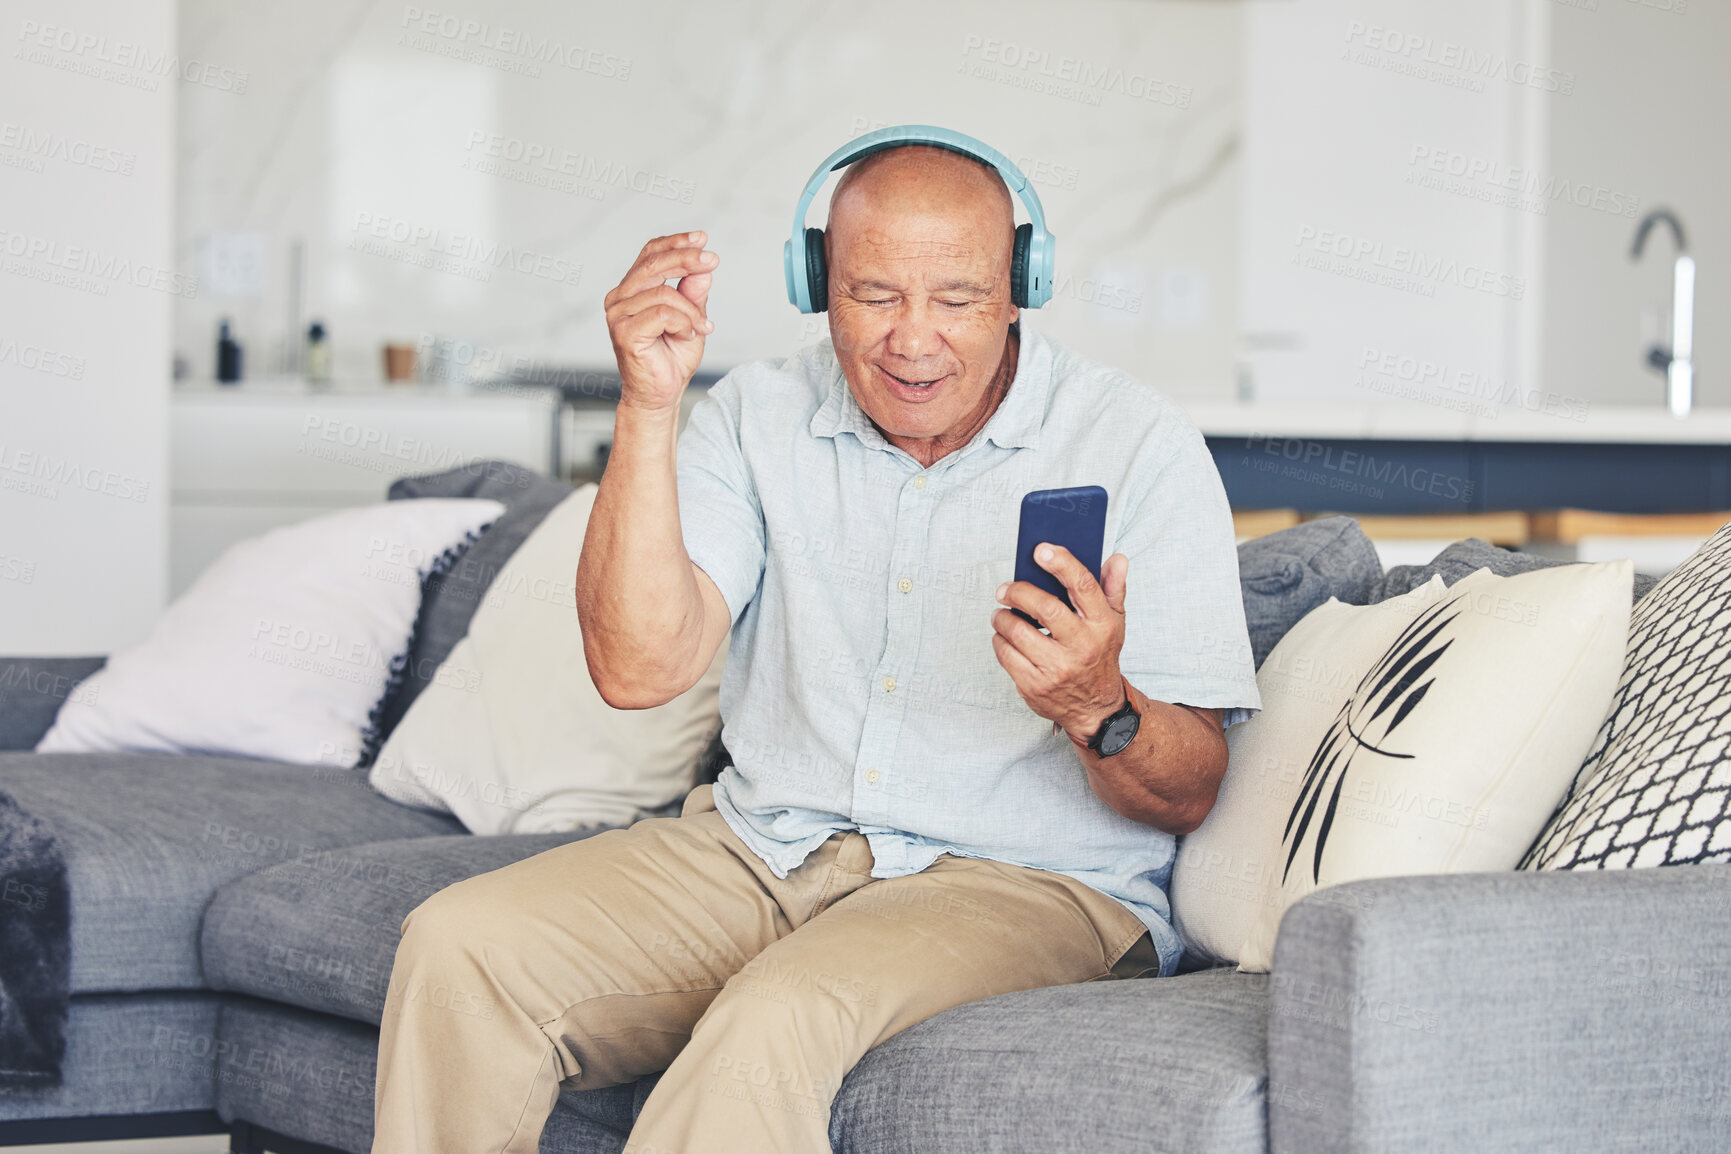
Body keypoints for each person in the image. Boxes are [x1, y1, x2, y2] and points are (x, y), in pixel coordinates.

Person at [371, 135, 1261, 1154]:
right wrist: (648, 409)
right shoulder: (755, 413)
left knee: (772, 1018)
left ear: (1022, 287)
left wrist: (1096, 702)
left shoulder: (1138, 442)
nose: (912, 339)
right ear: (815, 286)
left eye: (958, 298)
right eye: (873, 295)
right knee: (460, 949)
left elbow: (1191, 789)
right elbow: (638, 667)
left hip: (1024, 880)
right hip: (763, 846)